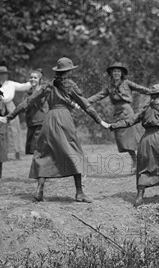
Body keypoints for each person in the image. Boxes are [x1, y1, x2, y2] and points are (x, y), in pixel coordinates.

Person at [7, 58, 110, 203]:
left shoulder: (47, 86)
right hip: (64, 119)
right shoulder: (70, 85)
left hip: (48, 120)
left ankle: (39, 190)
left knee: (44, 153)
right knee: (74, 152)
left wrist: (10, 116)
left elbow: (28, 101)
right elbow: (86, 105)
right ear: (68, 71)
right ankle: (79, 192)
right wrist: (100, 121)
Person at [110, 84, 159, 207]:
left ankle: (139, 197)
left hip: (145, 140)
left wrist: (113, 125)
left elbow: (129, 121)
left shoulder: (145, 110)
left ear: (152, 96)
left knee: (144, 167)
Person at [88, 62, 151, 171]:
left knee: (132, 138)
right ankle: (135, 159)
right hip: (117, 113)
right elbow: (98, 96)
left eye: (118, 71)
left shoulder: (127, 83)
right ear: (111, 74)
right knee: (122, 140)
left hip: (127, 112)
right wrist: (84, 102)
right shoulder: (109, 87)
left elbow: (141, 89)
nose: (116, 73)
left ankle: (140, 162)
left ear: (121, 73)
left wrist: (155, 92)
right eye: (114, 71)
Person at [0, 65, 32, 160]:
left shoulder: (10, 84)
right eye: (1, 74)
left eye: (5, 74)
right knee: (1, 129)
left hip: (11, 107)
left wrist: (34, 80)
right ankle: (3, 153)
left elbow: (23, 86)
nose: (3, 76)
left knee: (15, 128)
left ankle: (17, 152)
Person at [24, 69, 49, 155]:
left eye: (35, 77)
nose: (32, 79)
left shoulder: (44, 91)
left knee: (38, 149)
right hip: (31, 122)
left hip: (41, 122)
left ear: (39, 80)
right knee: (32, 150)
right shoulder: (27, 92)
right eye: (31, 77)